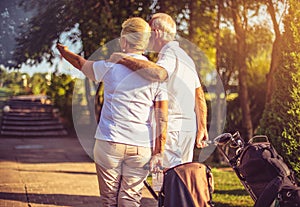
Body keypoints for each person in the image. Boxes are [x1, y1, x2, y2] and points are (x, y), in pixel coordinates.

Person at [56, 17, 168, 207]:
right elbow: (162, 117)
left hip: (109, 142)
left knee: (109, 201)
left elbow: (79, 62)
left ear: (124, 41)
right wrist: (159, 151)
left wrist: (64, 51)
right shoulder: (157, 76)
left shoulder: (108, 68)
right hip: (141, 146)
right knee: (130, 200)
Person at [109, 13, 208, 168]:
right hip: (188, 128)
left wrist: (122, 59)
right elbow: (199, 94)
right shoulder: (185, 57)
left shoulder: (169, 54)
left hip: (172, 129)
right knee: (182, 177)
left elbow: (159, 73)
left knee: (169, 178)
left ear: (156, 32)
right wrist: (201, 127)